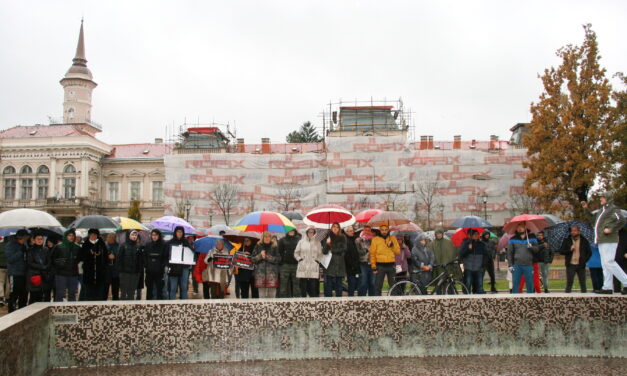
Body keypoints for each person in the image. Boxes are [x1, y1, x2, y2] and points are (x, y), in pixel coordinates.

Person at [581, 193, 627, 294]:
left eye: (603, 197)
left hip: (609, 240)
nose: (601, 199)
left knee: (609, 262)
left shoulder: (613, 209)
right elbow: (593, 220)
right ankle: (607, 287)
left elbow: (622, 220)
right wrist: (586, 209)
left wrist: (611, 229)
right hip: (601, 240)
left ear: (608, 199)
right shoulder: (602, 211)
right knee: (605, 264)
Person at [507, 224, 538, 294]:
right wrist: (510, 265)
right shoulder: (512, 239)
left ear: (525, 227)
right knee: (515, 285)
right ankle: (515, 300)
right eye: (518, 227)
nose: (519, 229)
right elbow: (509, 253)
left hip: (529, 265)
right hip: (516, 265)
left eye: (521, 227)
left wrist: (531, 247)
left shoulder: (532, 237)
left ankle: (530, 299)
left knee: (530, 284)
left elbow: (537, 249)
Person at [370, 224, 400, 296]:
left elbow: (398, 252)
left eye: (386, 230)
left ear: (388, 230)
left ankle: (393, 302)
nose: (384, 231)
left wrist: (392, 246)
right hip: (380, 266)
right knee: (378, 286)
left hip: (391, 265)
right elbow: (372, 254)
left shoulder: (393, 239)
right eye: (382, 230)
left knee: (393, 286)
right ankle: (378, 301)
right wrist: (373, 266)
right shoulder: (375, 240)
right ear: (380, 231)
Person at [559, 225, 591, 293]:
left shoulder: (584, 241)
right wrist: (569, 250)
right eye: (572, 231)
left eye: (575, 230)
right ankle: (567, 297)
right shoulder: (567, 240)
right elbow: (561, 251)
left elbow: (589, 252)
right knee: (569, 283)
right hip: (570, 265)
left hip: (581, 265)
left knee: (583, 283)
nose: (573, 232)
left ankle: (585, 297)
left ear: (579, 231)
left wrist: (584, 261)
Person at [79, 229, 109, 301]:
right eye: (91, 235)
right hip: (89, 273)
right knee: (88, 291)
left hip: (100, 273)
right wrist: (90, 253)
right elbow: (82, 257)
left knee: (99, 292)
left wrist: (99, 254)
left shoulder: (101, 244)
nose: (93, 236)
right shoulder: (85, 244)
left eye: (95, 235)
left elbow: (105, 257)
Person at [52, 229, 81, 302]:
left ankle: (72, 310)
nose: (71, 237)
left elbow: (80, 258)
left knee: (72, 294)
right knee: (60, 294)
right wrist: (60, 263)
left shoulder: (77, 247)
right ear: (65, 236)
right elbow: (52, 258)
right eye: (69, 235)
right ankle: (58, 310)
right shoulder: (59, 246)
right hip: (61, 273)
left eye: (73, 235)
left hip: (73, 273)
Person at [295, 227, 323, 298]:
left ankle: (313, 303)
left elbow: (320, 254)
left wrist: (317, 261)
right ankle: (303, 302)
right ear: (306, 232)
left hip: (313, 267)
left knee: (313, 287)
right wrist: (300, 259)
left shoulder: (317, 242)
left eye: (312, 232)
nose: (311, 233)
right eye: (309, 232)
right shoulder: (301, 242)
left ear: (314, 233)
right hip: (303, 266)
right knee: (303, 287)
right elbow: (296, 253)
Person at [6, 230, 29, 312]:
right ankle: (11, 311)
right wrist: (20, 252)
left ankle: (22, 310)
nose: (26, 239)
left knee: (24, 294)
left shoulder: (24, 244)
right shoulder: (10, 245)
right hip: (14, 273)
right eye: (25, 237)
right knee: (14, 294)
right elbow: (10, 259)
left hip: (24, 273)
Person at [252, 232, 281, 298]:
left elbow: (278, 259)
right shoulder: (258, 246)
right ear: (262, 238)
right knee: (261, 296)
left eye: (268, 237)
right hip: (260, 274)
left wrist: (267, 257)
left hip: (272, 275)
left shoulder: (275, 246)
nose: (267, 238)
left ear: (270, 238)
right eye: (265, 237)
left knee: (272, 295)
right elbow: (253, 259)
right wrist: (260, 255)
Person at [322, 222, 347, 297]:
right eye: (333, 226)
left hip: (339, 264)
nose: (335, 228)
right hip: (329, 264)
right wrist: (327, 244)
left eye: (337, 227)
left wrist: (332, 248)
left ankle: (339, 301)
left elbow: (344, 249)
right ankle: (328, 301)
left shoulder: (343, 237)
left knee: (338, 284)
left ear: (339, 228)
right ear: (331, 228)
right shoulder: (327, 237)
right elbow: (324, 252)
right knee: (328, 284)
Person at [26, 232, 52, 304]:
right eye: (38, 239)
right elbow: (30, 262)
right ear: (34, 240)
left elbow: (49, 261)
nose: (40, 240)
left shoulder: (46, 249)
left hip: (44, 276)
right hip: (35, 275)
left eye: (41, 239)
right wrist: (42, 267)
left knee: (44, 296)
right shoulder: (30, 250)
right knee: (34, 296)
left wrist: (46, 267)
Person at [167, 226, 192, 300]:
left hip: (184, 267)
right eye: (178, 231)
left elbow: (191, 253)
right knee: (173, 287)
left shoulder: (186, 242)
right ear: (175, 232)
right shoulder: (170, 242)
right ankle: (172, 304)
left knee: (184, 287)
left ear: (183, 233)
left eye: (181, 232)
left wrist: (187, 248)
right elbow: (167, 255)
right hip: (173, 267)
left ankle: (184, 304)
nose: (179, 233)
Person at [459, 229, 487, 294]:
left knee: (479, 285)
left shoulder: (482, 244)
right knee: (468, 284)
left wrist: (483, 264)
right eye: (474, 234)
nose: (476, 236)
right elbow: (461, 254)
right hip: (468, 268)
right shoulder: (465, 243)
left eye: (477, 234)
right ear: (470, 236)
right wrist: (468, 249)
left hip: (479, 268)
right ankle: (467, 298)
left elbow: (486, 255)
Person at [118, 230, 143, 300]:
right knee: (123, 291)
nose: (134, 236)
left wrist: (139, 272)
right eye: (132, 235)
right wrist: (120, 271)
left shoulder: (138, 247)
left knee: (131, 292)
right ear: (129, 236)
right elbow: (119, 259)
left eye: (135, 235)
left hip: (135, 273)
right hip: (124, 273)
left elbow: (140, 260)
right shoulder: (123, 246)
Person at [144, 229, 167, 300]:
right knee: (149, 289)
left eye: (156, 235)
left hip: (159, 271)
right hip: (149, 270)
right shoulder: (148, 244)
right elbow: (145, 256)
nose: (154, 237)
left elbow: (165, 257)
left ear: (159, 236)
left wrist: (161, 267)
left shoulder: (163, 244)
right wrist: (147, 265)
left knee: (159, 289)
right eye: (153, 235)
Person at [278, 230, 301, 298]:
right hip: (285, 266)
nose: (291, 231)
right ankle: (282, 302)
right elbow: (279, 252)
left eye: (292, 230)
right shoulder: (282, 240)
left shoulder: (298, 240)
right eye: (289, 230)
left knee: (296, 285)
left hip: (296, 265)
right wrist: (282, 261)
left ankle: (297, 301)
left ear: (295, 231)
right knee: (283, 286)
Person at [355, 225, 376, 296]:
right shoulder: (358, 240)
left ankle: (372, 299)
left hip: (373, 264)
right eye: (366, 230)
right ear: (363, 230)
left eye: (369, 230)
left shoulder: (374, 240)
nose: (367, 232)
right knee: (363, 283)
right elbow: (357, 252)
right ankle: (362, 299)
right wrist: (367, 250)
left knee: (373, 283)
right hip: (363, 263)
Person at [343, 226, 360, 297]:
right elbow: (346, 255)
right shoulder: (346, 240)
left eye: (352, 230)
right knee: (352, 285)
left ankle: (352, 298)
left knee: (354, 285)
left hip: (355, 267)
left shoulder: (352, 239)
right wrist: (353, 265)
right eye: (350, 231)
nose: (352, 232)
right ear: (346, 232)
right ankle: (350, 300)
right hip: (350, 267)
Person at [104, 233, 120, 300]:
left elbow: (120, 257)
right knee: (105, 290)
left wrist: (115, 257)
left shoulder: (118, 246)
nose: (109, 239)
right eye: (108, 237)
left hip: (115, 271)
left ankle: (115, 302)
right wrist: (107, 257)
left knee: (115, 290)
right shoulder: (104, 246)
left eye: (111, 238)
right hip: (106, 271)